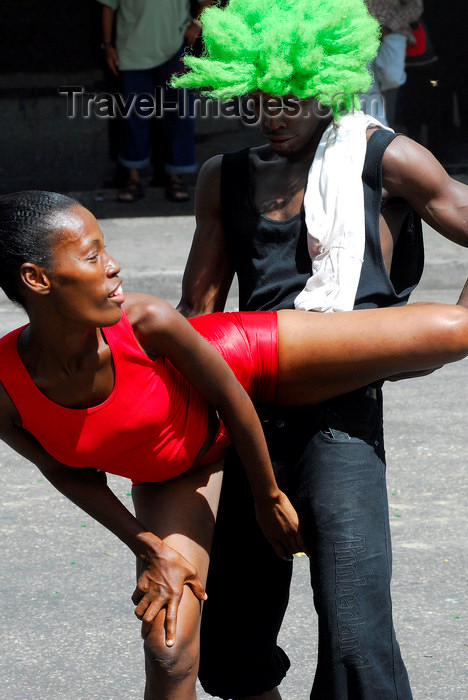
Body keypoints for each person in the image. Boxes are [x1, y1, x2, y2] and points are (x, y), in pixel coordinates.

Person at [1, 190, 468, 698]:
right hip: (179, 474)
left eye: (106, 249)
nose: (114, 266)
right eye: (93, 256)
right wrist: (149, 546)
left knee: (453, 334)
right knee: (169, 648)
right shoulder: (6, 383)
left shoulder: (146, 321)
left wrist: (268, 498)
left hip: (250, 357)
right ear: (36, 278)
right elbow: (63, 468)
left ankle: (389, 216)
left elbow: (236, 403)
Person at [172, 0, 468, 698]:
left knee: (358, 639)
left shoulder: (382, 156)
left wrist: (445, 327)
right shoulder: (227, 176)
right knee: (232, 639)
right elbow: (199, 311)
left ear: (330, 82)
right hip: (245, 411)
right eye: (262, 98)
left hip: (341, 424)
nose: (273, 113)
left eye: (292, 98)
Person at [98, 0, 213, 203]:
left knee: (179, 113)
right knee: (133, 115)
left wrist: (196, 25)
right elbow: (108, 6)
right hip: (131, 51)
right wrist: (107, 45)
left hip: (175, 49)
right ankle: (133, 178)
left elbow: (207, 1)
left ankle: (176, 176)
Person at [362, 0, 424, 125]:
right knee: (367, 82)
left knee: (392, 76)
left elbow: (415, 7)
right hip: (360, 31)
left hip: (393, 29)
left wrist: (388, 26)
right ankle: (378, 129)